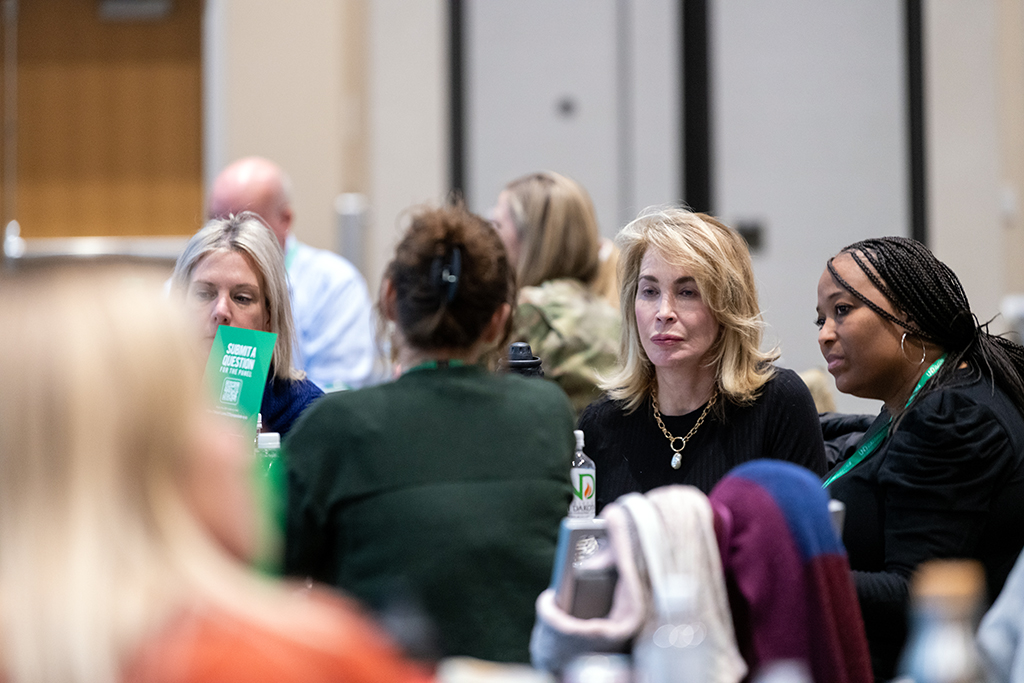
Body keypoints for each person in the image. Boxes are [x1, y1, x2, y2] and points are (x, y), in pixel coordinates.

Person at [0, 266, 428, 683]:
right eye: (194, 411)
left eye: (242, 297)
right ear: (140, 456)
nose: (236, 444)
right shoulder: (299, 657)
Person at [285, 205, 576, 663]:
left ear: (387, 299)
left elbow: (261, 574)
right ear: (500, 319)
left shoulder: (335, 427)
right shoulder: (545, 414)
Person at [816, 236, 1024, 681]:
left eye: (842, 310)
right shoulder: (934, 392)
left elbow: (916, 592)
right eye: (820, 318)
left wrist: (793, 575)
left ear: (907, 311)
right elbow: (869, 444)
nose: (824, 334)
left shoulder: (951, 417)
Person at [578, 207, 826, 511]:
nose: (663, 312)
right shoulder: (601, 424)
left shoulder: (778, 404)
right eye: (650, 291)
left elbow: (805, 546)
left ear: (728, 305)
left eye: (687, 292)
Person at [208, 156, 380, 391]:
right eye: (215, 221)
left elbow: (336, 399)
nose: (228, 234)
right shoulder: (179, 288)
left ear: (285, 220)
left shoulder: (335, 284)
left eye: (245, 222)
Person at [172, 212, 323, 436]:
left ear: (269, 317)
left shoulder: (308, 415)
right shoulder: (145, 402)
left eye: (242, 298)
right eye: (204, 294)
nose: (221, 310)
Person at [491, 171, 620, 414]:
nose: (489, 239)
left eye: (497, 225)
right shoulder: (608, 309)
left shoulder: (530, 309)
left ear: (531, 240)